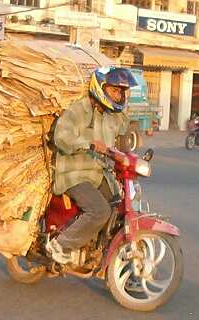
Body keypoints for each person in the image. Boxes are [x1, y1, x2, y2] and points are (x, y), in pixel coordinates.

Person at [46, 67, 138, 264]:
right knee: (100, 211)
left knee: (119, 207)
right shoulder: (79, 109)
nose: (119, 95)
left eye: (121, 92)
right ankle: (61, 244)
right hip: (74, 173)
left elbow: (123, 131)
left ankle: (96, 250)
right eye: (115, 90)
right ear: (101, 88)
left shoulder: (111, 115)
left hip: (98, 172)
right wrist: (87, 143)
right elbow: (61, 137)